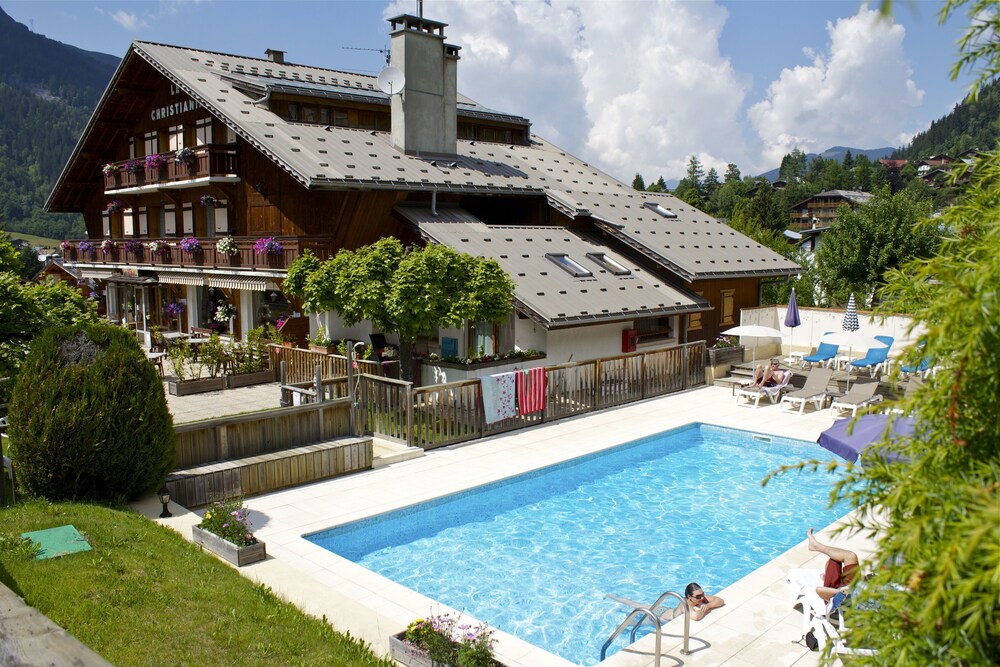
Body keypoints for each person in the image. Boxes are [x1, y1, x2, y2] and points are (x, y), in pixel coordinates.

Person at [807, 527, 860, 601]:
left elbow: (819, 591)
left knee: (834, 560)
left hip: (844, 593)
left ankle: (816, 546)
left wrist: (842, 592)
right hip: (853, 585)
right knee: (850, 556)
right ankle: (816, 546)